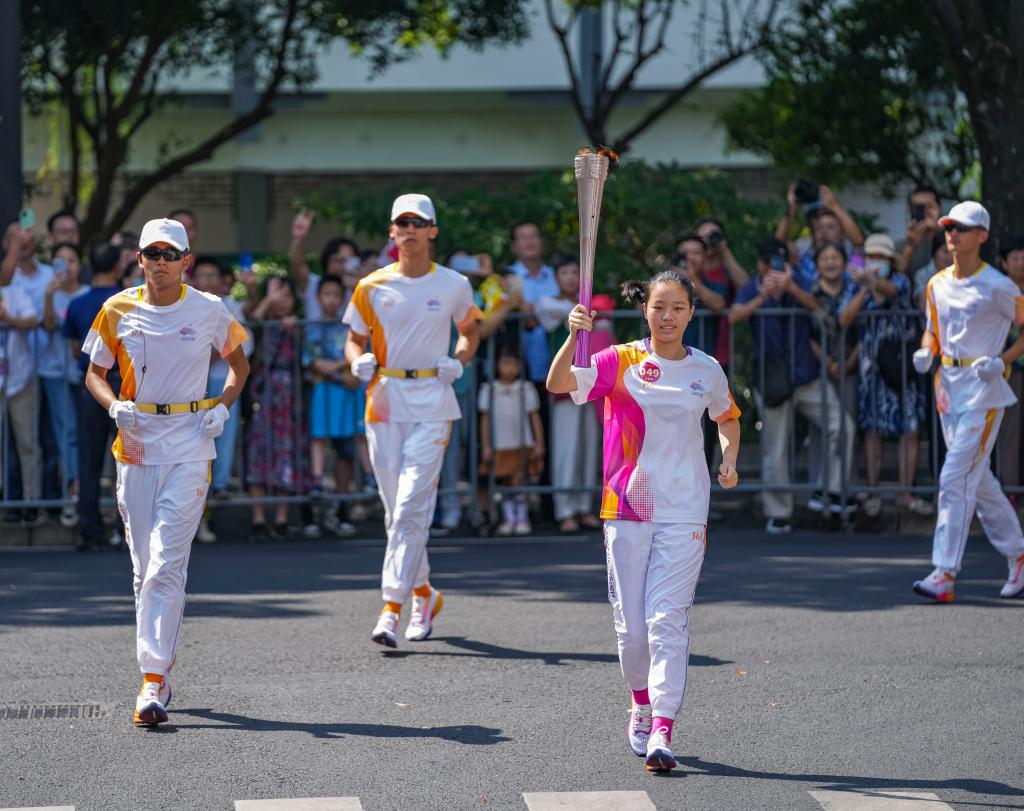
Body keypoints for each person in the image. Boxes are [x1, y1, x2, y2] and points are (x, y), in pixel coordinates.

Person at [546, 270, 741, 773]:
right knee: (632, 629)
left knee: (666, 621)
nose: (668, 316)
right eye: (659, 307)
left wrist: (728, 458)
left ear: (691, 313)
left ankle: (663, 728)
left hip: (686, 507)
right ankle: (640, 701)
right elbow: (559, 384)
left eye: (677, 308)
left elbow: (727, 417)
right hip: (627, 504)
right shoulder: (620, 360)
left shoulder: (707, 370)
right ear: (645, 310)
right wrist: (573, 335)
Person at [82, 218, 249, 725]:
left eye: (170, 254)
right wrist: (114, 406)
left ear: (186, 261)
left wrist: (222, 407)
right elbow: (95, 373)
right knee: (143, 567)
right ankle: (157, 673)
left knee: (165, 563)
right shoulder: (117, 308)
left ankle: (152, 678)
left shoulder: (209, 308)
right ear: (139, 259)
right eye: (152, 253)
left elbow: (239, 366)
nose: (161, 262)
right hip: (136, 442)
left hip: (190, 442)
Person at [343, 193, 480, 648]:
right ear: (392, 231)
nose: (409, 230)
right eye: (401, 223)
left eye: (417, 223)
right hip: (385, 400)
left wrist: (458, 359)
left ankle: (391, 607)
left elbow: (470, 331)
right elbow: (353, 338)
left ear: (432, 230)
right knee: (397, 512)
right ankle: (424, 593)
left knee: (409, 508)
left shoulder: (454, 284)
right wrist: (357, 360)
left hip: (432, 399)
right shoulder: (371, 285)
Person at [910, 201, 1024, 601]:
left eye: (961, 227)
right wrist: (926, 351)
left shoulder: (999, 285)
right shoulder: (936, 283)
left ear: (982, 235)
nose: (952, 234)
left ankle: (945, 572)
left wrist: (1002, 360)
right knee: (980, 480)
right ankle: (1019, 554)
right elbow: (932, 330)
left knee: (954, 476)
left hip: (984, 390)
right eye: (949, 227)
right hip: (947, 387)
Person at [730, 238, 845, 530]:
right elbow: (733, 316)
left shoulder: (799, 281)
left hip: (805, 374)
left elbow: (819, 309)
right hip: (772, 379)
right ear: (760, 264)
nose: (773, 268)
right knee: (776, 446)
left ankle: (828, 490)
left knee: (841, 425)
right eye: (769, 263)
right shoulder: (752, 286)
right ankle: (778, 512)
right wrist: (762, 297)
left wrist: (791, 288)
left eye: (779, 263)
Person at [839, 233, 929, 517]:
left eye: (881, 257)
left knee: (910, 429)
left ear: (891, 260)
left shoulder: (901, 281)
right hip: (872, 371)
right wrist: (865, 288)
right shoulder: (856, 286)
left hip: (902, 366)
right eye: (871, 256)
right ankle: (873, 492)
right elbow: (844, 318)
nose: (876, 261)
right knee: (873, 430)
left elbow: (891, 291)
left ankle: (906, 494)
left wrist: (873, 282)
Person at [64, 243, 124, 550]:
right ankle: (125, 529)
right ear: (118, 266)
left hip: (90, 385)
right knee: (126, 461)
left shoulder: (77, 304)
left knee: (89, 459)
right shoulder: (127, 301)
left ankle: (90, 529)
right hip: (123, 386)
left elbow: (77, 349)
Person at [190, 256, 253, 542]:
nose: (207, 281)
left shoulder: (227, 307)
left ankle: (211, 510)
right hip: (191, 388)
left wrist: (216, 353)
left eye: (212, 275)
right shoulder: (185, 307)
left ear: (221, 280)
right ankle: (196, 520)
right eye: (202, 275)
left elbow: (240, 350)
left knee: (221, 450)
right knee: (194, 455)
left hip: (224, 385)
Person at [536, 255, 600, 532]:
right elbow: (552, 311)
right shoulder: (548, 304)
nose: (571, 277)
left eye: (576, 272)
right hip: (564, 387)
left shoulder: (591, 307)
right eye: (565, 272)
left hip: (592, 384)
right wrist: (581, 311)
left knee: (588, 448)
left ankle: (584, 507)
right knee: (566, 450)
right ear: (556, 277)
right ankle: (565, 510)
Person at [245, 275, 308, 537]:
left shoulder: (300, 326)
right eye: (276, 295)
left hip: (289, 400)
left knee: (285, 452)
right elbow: (253, 321)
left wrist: (293, 331)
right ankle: (258, 517)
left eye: (286, 295)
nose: (281, 301)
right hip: (263, 396)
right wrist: (268, 301)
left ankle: (281, 517)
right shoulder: (261, 324)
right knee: (258, 452)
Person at [304, 273, 362, 538]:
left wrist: (341, 369)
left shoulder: (348, 326)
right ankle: (314, 506)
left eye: (336, 294)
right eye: (326, 294)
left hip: (346, 398)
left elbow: (356, 357)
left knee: (346, 450)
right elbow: (316, 363)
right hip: (323, 394)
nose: (331, 299)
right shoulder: (313, 326)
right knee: (317, 442)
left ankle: (341, 507)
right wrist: (342, 370)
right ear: (318, 297)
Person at [40, 241, 89, 527]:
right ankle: (72, 491)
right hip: (55, 373)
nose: (67, 267)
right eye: (60, 261)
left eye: (72, 260)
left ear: (80, 265)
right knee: (66, 432)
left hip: (85, 374)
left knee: (87, 434)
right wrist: (49, 296)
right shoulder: (50, 292)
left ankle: (83, 489)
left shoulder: (86, 294)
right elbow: (48, 324)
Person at [807, 241, 859, 512]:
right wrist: (827, 362)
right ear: (817, 264)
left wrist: (850, 361)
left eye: (835, 257)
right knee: (823, 431)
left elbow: (863, 330)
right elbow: (808, 335)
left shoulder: (853, 290)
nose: (830, 262)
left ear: (844, 262)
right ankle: (820, 490)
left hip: (850, 366)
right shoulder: (810, 293)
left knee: (848, 428)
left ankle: (843, 489)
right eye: (825, 258)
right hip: (819, 368)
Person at [479, 346, 544, 535]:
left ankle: (522, 517)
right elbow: (485, 419)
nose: (510, 368)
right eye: (506, 363)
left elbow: (534, 416)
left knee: (520, 480)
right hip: (500, 444)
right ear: (497, 365)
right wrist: (486, 445)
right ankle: (509, 518)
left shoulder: (526, 388)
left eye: (514, 364)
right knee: (504, 481)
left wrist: (539, 442)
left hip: (522, 443)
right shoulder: (489, 388)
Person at [0, 277, 41, 523]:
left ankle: (31, 502)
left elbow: (33, 320)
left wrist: (8, 319)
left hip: (20, 379)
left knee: (27, 443)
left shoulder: (16, 291)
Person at [776, 182, 865, 287]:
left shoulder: (851, 257)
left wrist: (835, 207)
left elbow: (858, 242)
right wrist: (792, 209)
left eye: (830, 227)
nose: (824, 231)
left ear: (843, 233)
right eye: (819, 227)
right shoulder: (802, 257)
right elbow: (778, 243)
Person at [288, 208, 360, 322]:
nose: (343, 266)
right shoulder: (313, 284)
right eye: (338, 261)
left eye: (349, 261)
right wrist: (298, 238)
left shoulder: (360, 289)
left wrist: (360, 290)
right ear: (327, 260)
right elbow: (297, 264)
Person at [995, 237, 1024, 503]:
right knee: (1010, 431)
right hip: (1010, 369)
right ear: (1004, 263)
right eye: (1015, 258)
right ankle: (1010, 491)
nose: (1021, 263)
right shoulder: (999, 290)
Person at [899, 186, 943, 277]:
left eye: (930, 206)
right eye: (919, 207)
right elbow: (897, 276)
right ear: (910, 210)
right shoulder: (899, 247)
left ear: (939, 209)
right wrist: (910, 246)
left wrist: (941, 231)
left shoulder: (952, 242)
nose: (925, 211)